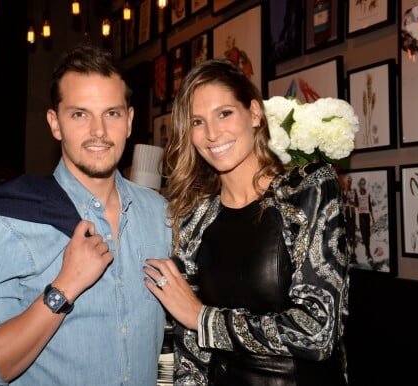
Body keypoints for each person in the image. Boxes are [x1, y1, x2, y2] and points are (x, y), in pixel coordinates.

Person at [0, 43, 171, 386]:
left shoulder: (159, 215)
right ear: (55, 124)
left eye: (112, 113)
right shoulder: (6, 225)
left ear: (130, 121)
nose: (99, 131)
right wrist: (64, 287)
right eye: (79, 114)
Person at [143, 59, 350, 385]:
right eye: (198, 121)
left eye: (224, 113)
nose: (212, 134)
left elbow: (319, 332)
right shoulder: (193, 218)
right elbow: (191, 352)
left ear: (254, 113)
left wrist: (203, 319)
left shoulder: (306, 189)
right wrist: (194, 322)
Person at [357, 177, 375, 265]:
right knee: (364, 233)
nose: (362, 185)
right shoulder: (357, 194)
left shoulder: (367, 194)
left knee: (367, 233)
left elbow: (370, 206)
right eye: (361, 183)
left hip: (367, 215)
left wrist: (373, 218)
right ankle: (368, 252)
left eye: (364, 183)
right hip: (361, 215)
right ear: (359, 184)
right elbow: (356, 204)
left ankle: (367, 250)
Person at [341, 175, 358, 263]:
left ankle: (353, 254)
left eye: (349, 181)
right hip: (345, 213)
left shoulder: (353, 191)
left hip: (351, 212)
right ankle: (346, 254)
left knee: (352, 234)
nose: (348, 183)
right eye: (347, 181)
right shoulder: (342, 191)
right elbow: (341, 202)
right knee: (346, 233)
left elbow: (356, 203)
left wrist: (350, 201)